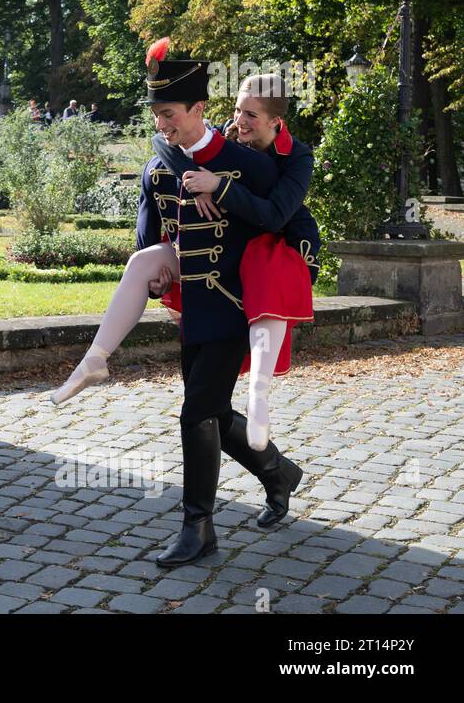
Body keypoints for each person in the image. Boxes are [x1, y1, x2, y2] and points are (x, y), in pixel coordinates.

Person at [53, 38, 304, 567]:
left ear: (197, 110)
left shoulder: (246, 164)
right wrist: (152, 280)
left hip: (236, 307)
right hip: (190, 311)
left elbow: (284, 221)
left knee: (195, 413)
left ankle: (199, 528)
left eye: (170, 114)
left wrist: (226, 192)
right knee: (211, 408)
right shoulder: (155, 168)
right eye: (156, 115)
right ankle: (278, 472)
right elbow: (148, 238)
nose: (162, 125)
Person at [150, 73, 320, 450]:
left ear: (276, 122)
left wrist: (219, 187)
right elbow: (164, 144)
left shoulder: (298, 157)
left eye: (251, 115)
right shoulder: (226, 138)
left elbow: (276, 216)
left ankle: (260, 392)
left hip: (282, 248)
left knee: (203, 406)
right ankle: (278, 475)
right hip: (225, 261)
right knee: (209, 406)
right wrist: (194, 179)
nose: (239, 121)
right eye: (237, 110)